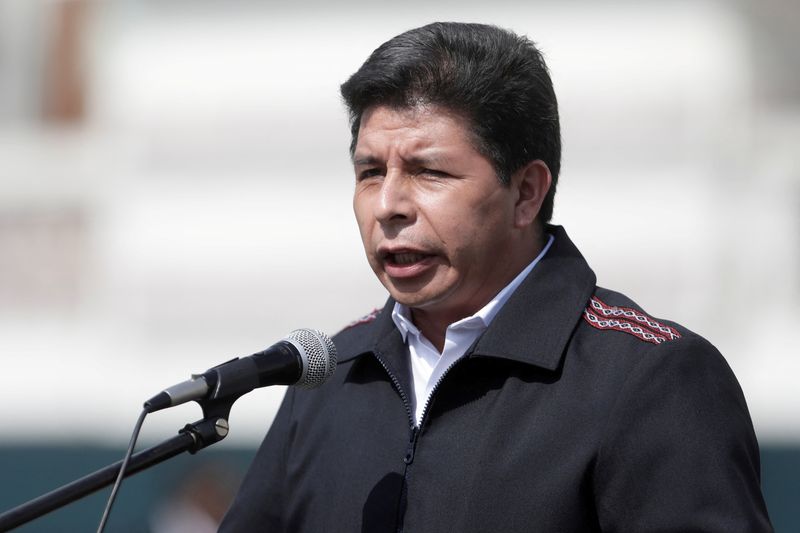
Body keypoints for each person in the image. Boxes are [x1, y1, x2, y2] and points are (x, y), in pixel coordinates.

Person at [219, 22, 772, 532]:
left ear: (526, 192)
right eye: (369, 173)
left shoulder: (649, 378)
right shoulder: (331, 375)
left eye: (428, 171)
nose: (388, 204)